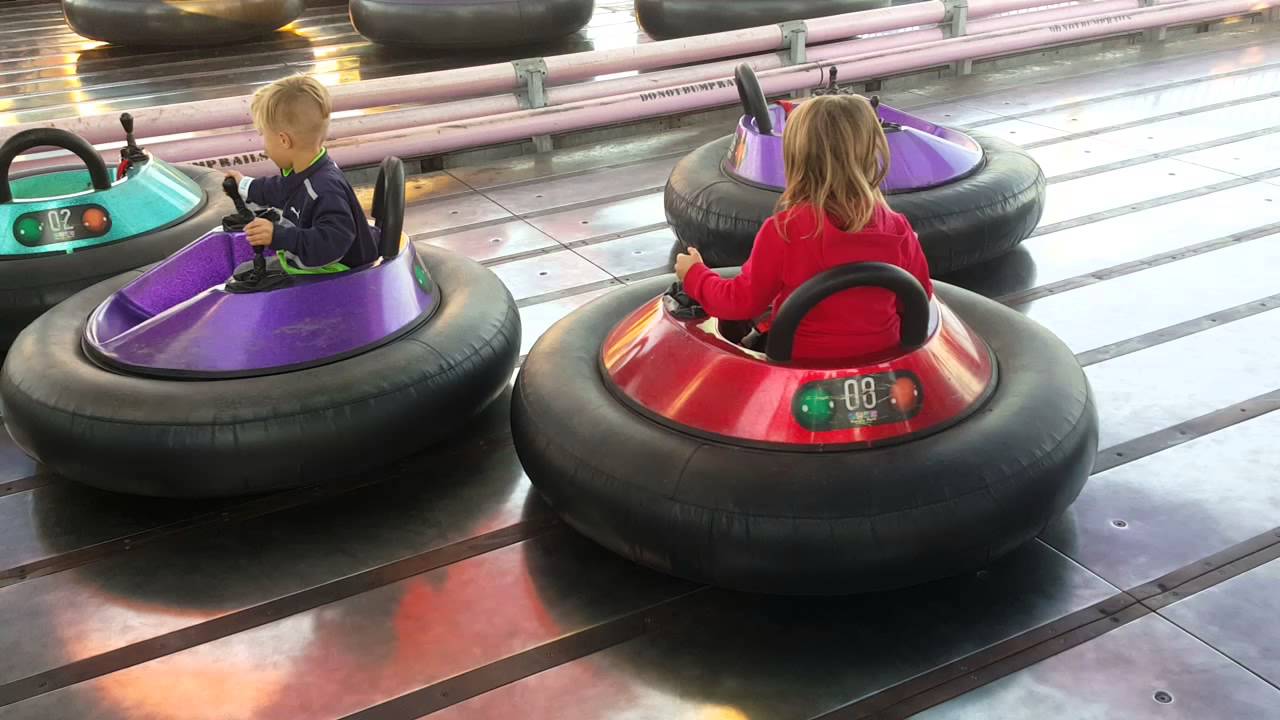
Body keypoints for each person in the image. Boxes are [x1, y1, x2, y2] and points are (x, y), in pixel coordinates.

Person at [675, 94, 933, 362]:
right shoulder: (898, 228)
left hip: (803, 367)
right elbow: (918, 295)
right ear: (871, 154)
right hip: (882, 361)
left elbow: (741, 302)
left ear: (796, 159)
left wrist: (695, 276)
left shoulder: (784, 232)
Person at [225, 75, 378, 274]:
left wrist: (278, 236)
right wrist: (244, 185)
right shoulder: (306, 172)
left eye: (264, 137)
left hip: (335, 274)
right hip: (315, 265)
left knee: (242, 280)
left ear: (283, 140)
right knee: (243, 272)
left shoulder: (325, 187)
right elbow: (282, 189)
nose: (265, 149)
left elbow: (332, 242)